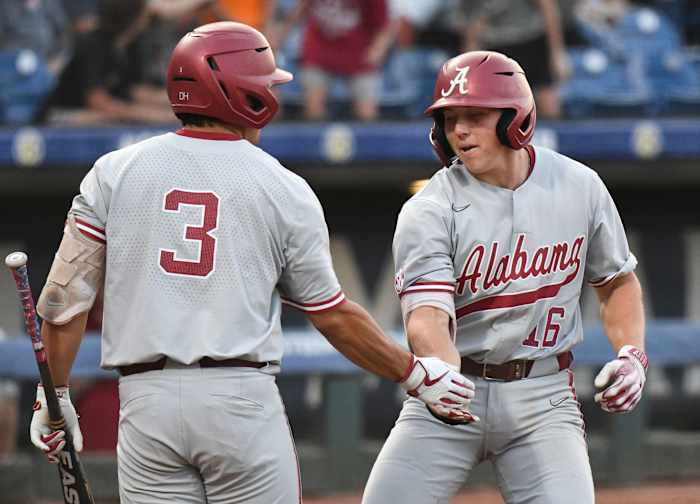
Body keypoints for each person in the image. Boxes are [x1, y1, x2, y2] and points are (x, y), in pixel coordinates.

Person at [28, 21, 474, 503]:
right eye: (263, 82)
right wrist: (412, 372)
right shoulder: (282, 186)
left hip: (145, 403)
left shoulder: (113, 171)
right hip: (238, 399)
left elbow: (62, 301)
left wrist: (53, 395)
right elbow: (333, 315)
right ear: (241, 92)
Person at [362, 51, 648, 503]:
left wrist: (632, 353)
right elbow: (427, 316)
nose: (459, 130)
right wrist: (440, 372)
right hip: (452, 392)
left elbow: (615, 281)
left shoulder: (580, 185)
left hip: (544, 398)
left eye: (475, 115)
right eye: (450, 117)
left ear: (517, 117)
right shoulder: (429, 209)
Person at [40, 0, 174, 125]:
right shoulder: (91, 44)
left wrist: (176, 103)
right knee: (104, 118)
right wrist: (145, 114)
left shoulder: (132, 46)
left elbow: (132, 90)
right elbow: (97, 101)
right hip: (66, 111)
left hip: (106, 110)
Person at [273, 0, 394, 121]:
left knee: (367, 112)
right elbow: (300, 9)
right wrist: (280, 35)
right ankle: (314, 137)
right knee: (314, 107)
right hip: (319, 52)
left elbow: (385, 25)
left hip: (359, 54)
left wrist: (378, 49)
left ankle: (367, 139)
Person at [457, 0, 570, 119]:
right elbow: (472, 25)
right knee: (499, 110)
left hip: (532, 42)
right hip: (496, 47)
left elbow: (547, 7)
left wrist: (557, 53)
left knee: (548, 105)